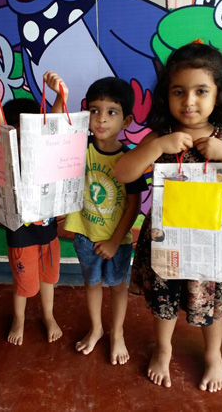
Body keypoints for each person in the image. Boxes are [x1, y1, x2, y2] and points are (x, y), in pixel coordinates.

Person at [114, 42, 222, 391]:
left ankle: (213, 354)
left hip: (212, 241)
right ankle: (163, 348)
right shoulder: (160, 138)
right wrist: (155, 148)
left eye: (201, 91)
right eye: (179, 91)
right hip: (167, 241)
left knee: (212, 301)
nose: (189, 101)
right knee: (164, 299)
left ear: (219, 94)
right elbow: (123, 172)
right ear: (166, 95)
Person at [63, 77, 147, 365]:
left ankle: (117, 334)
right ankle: (97, 328)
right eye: (95, 110)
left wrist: (114, 241)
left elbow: (134, 205)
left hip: (117, 240)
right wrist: (59, 96)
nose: (101, 119)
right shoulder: (79, 148)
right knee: (92, 284)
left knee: (118, 286)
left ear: (126, 121)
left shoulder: (129, 159)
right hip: (85, 236)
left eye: (112, 112)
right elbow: (53, 136)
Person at [0, 71, 67, 346]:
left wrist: (59, 96)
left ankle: (48, 315)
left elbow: (53, 125)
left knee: (48, 278)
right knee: (23, 282)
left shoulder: (45, 152)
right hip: (21, 234)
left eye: (28, 130)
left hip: (48, 232)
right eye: (16, 131)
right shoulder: (6, 156)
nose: (23, 137)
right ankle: (19, 319)